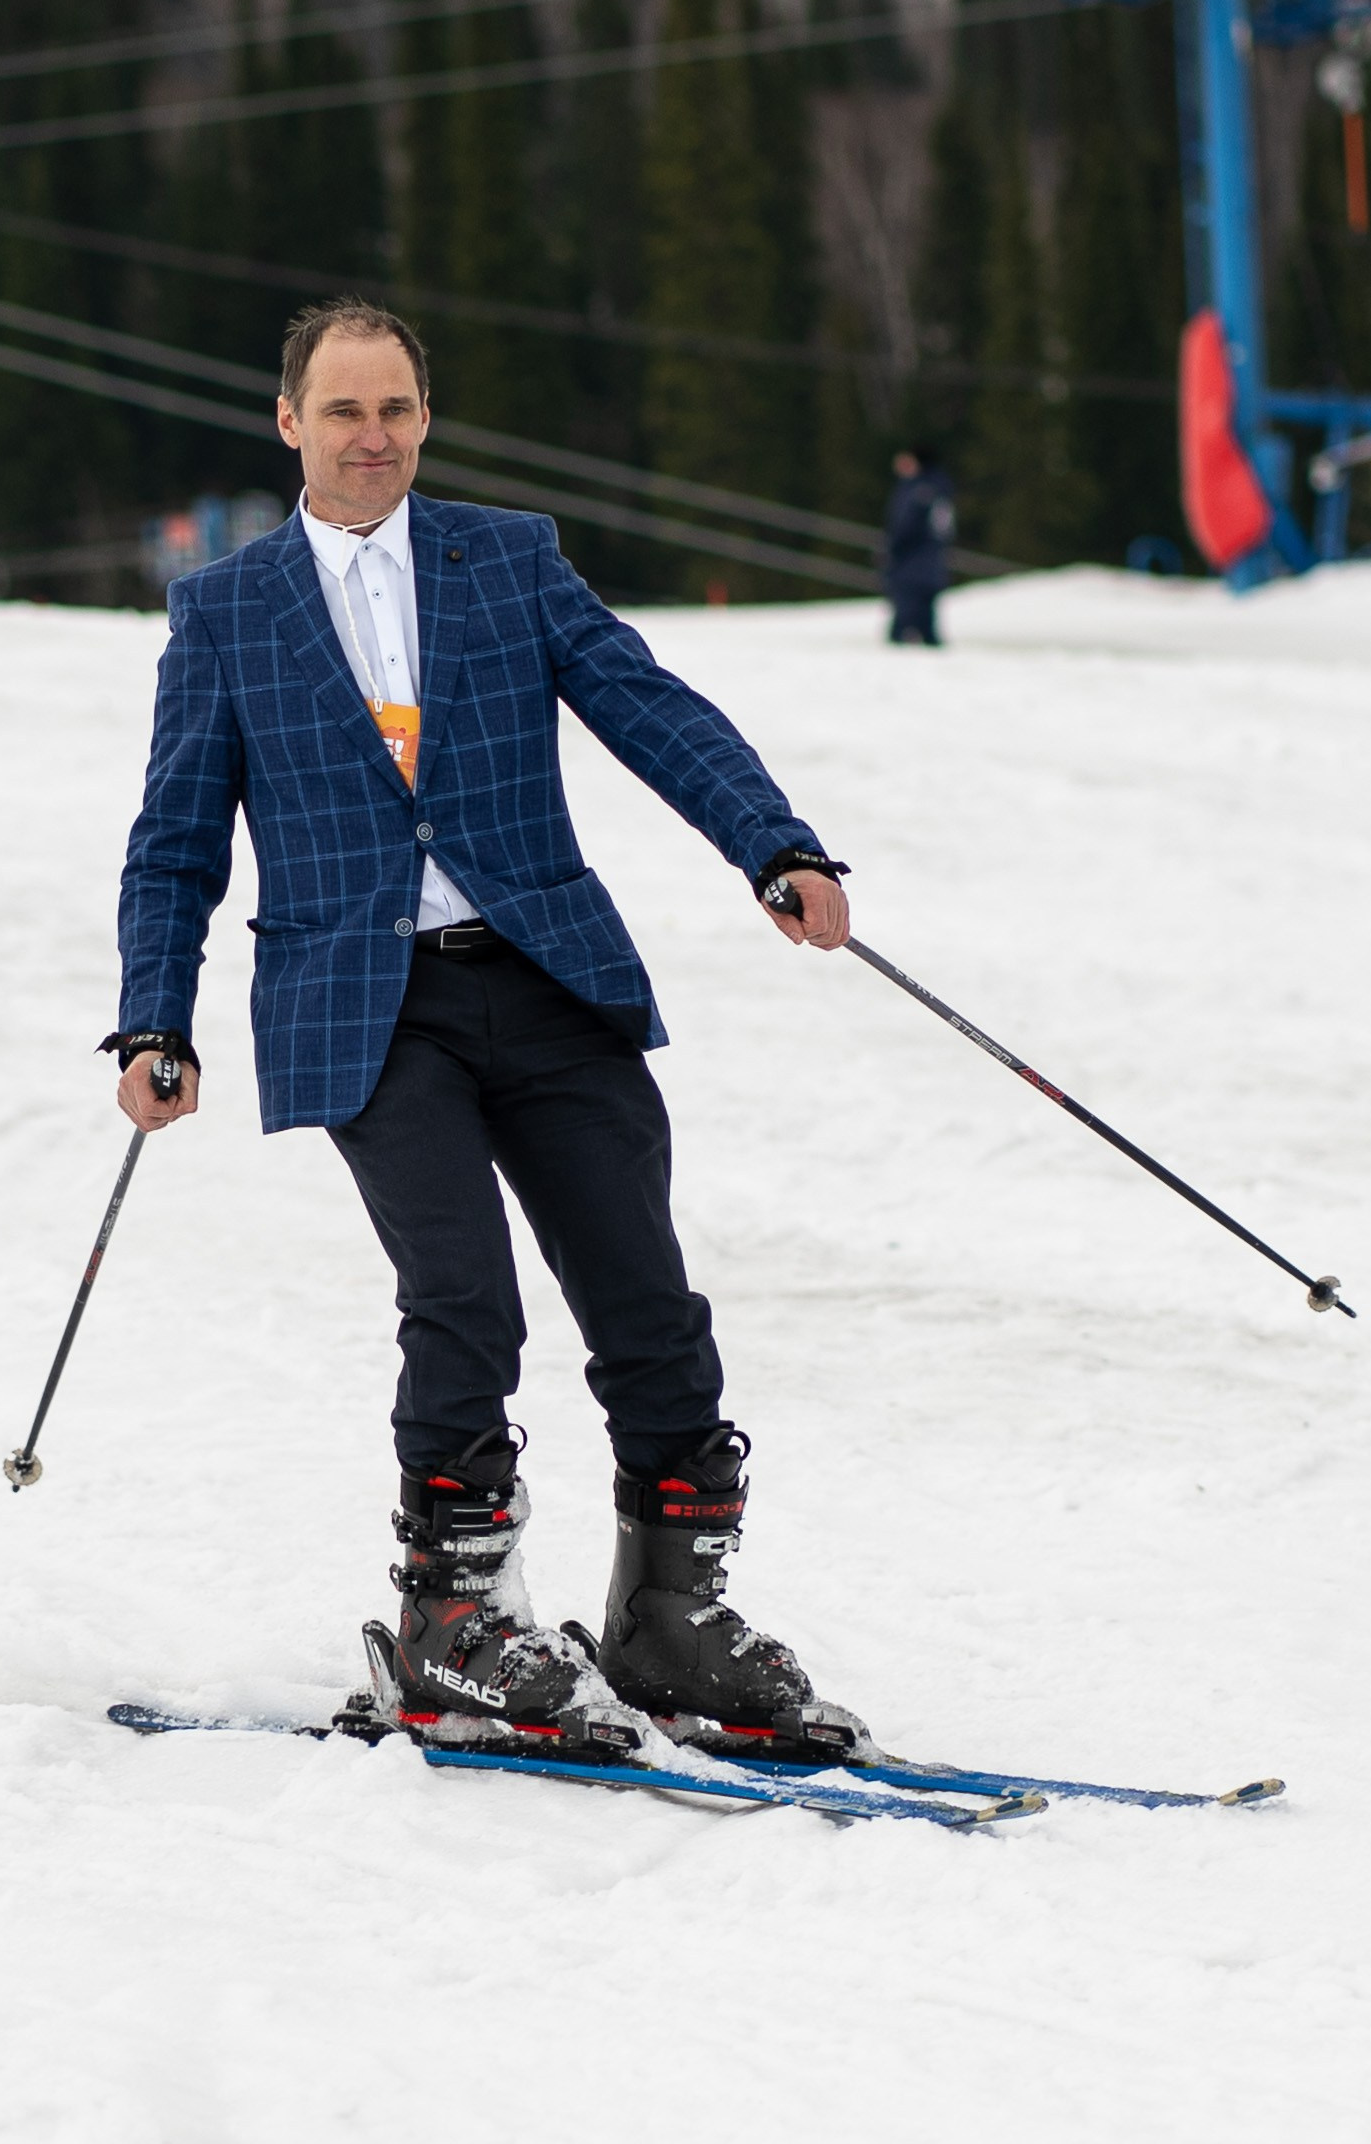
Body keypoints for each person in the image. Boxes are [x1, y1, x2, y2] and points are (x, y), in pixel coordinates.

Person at [106, 298, 865, 1759]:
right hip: (364, 1006)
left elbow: (647, 705)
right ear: (289, 422)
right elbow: (174, 842)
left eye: (394, 408)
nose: (371, 437)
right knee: (462, 1293)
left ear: (424, 417)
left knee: (647, 1300)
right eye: (342, 410)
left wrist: (772, 844)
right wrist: (154, 1018)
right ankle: (450, 1622)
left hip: (547, 974)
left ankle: (670, 1621)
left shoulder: (505, 557)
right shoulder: (225, 611)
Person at [882, 448, 954, 646]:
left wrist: (892, 549)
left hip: (912, 561)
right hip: (931, 561)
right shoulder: (939, 490)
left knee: (905, 615)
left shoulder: (918, 492)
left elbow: (905, 526)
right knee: (926, 615)